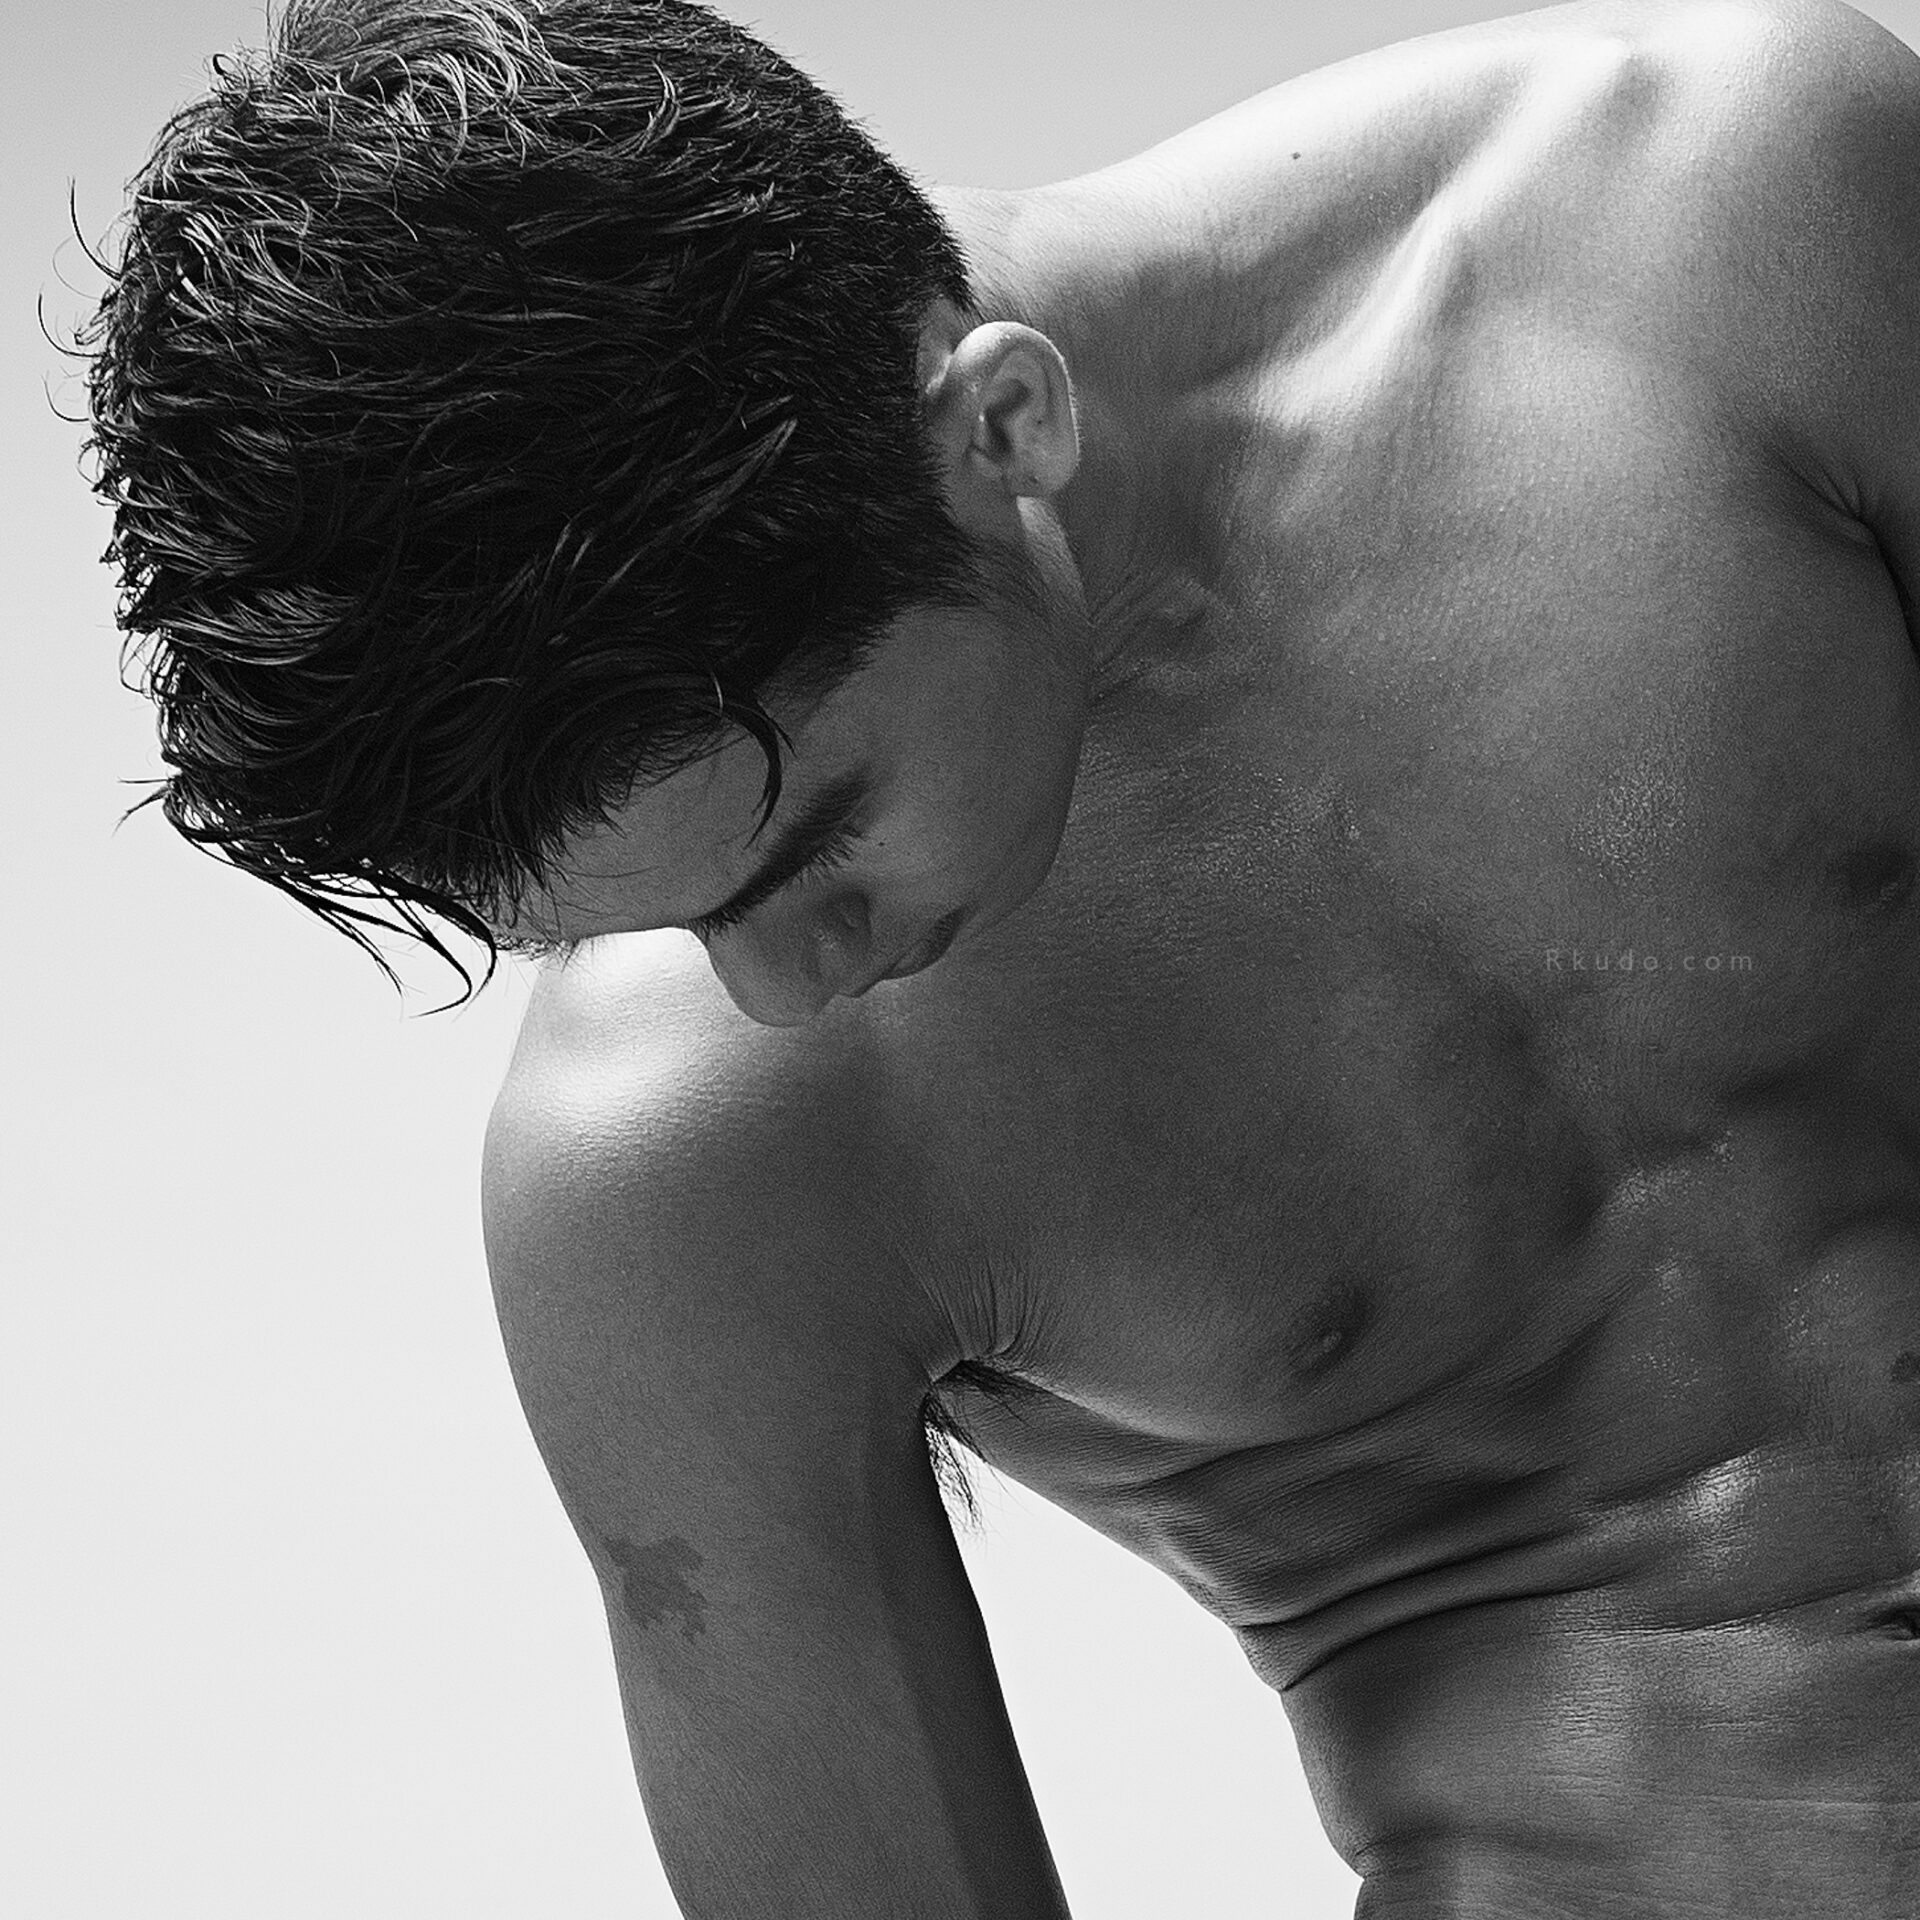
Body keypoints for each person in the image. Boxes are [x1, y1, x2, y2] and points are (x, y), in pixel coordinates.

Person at [85, 0, 1920, 1910]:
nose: (783, 991)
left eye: (810, 848)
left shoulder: (1731, 234)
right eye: (659, 925)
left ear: (1002, 427)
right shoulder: (675, 1162)